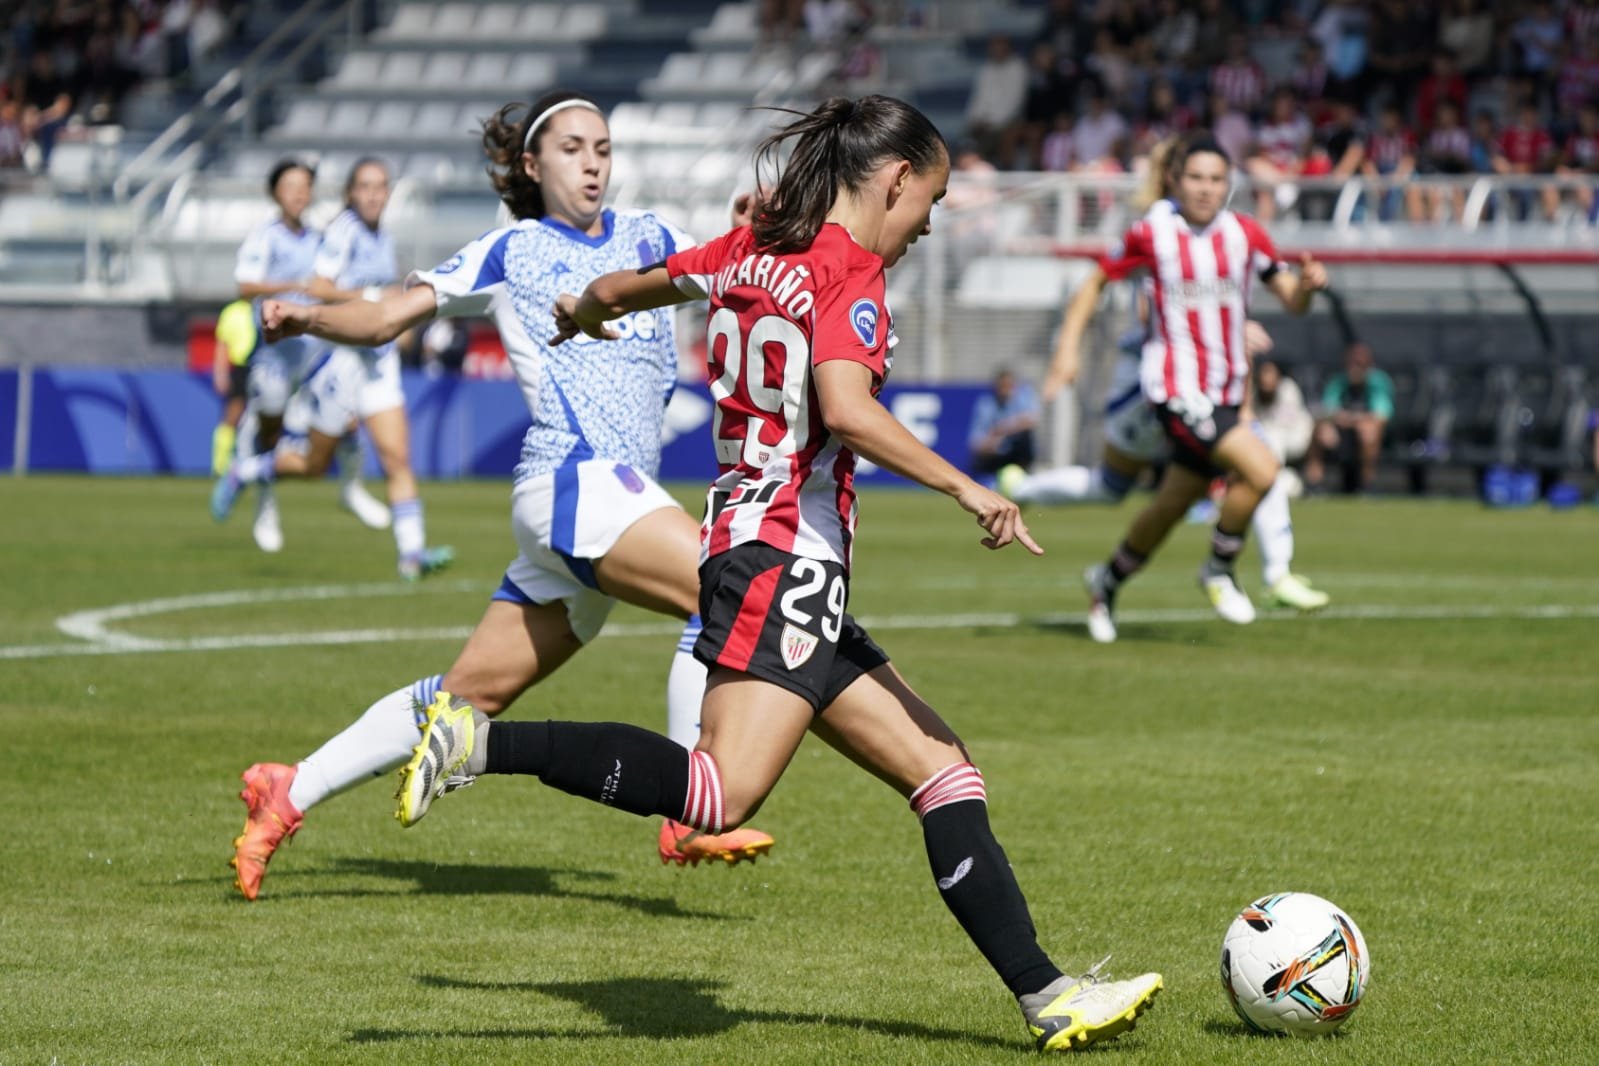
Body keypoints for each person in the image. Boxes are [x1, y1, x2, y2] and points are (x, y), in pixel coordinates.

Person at [397, 94, 1163, 1052]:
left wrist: (581, 308)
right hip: (785, 559)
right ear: (892, 181)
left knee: (944, 773)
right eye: (928, 199)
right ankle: (475, 745)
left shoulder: (745, 247)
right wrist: (970, 489)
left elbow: (628, 288)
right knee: (719, 796)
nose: (925, 222)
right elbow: (846, 409)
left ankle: (1048, 995)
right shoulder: (852, 275)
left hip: (750, 547)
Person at [231, 91, 775, 903]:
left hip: (609, 501)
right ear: (531, 165)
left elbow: (733, 271)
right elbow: (386, 317)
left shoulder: (654, 236)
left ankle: (289, 789)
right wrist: (308, 316)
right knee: (724, 589)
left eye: (602, 147)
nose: (592, 161)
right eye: (571, 148)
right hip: (573, 481)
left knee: (464, 700)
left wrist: (749, 230)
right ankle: (693, 808)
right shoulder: (512, 249)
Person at [1054, 135, 1329, 643]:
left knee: (1172, 505)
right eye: (1196, 178)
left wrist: (1308, 287)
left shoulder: (1245, 233)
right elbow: (1094, 281)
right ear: (1176, 181)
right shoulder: (1151, 232)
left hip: (1224, 388)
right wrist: (1067, 350)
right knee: (1262, 467)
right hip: (1176, 388)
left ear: (1230, 185)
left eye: (1216, 179)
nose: (1206, 189)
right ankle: (1220, 567)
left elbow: (1290, 297)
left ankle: (1106, 581)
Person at [212, 157, 451, 580]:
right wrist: (376, 297)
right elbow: (319, 287)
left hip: (379, 360)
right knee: (314, 464)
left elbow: (384, 296)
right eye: (366, 186)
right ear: (350, 193)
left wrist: (400, 318)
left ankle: (411, 555)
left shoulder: (384, 236)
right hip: (340, 358)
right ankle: (248, 469)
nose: (375, 194)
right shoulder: (342, 230)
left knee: (398, 457)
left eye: (381, 186)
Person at [220, 158, 390, 552]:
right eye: (291, 185)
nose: (299, 193)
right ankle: (264, 508)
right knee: (270, 434)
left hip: (318, 354)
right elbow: (244, 286)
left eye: (305, 186)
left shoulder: (321, 237)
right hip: (277, 357)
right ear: (275, 192)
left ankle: (352, 489)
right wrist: (291, 285)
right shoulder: (265, 236)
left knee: (347, 422)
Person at [1305, 341, 1393, 494]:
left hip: (1369, 435)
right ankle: (1314, 483)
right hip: (1341, 434)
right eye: (1352, 363)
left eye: (1360, 363)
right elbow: (1327, 412)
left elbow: (1381, 417)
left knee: (1369, 431)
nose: (1355, 367)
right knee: (1321, 430)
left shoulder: (1378, 382)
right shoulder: (1338, 382)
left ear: (1368, 365)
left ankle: (1367, 484)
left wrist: (1350, 419)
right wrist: (1348, 420)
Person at [209, 299, 256, 477]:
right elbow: (223, 344)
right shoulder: (232, 311)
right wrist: (220, 373)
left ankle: (251, 463)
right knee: (233, 414)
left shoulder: (266, 305)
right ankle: (220, 465)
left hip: (265, 366)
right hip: (241, 367)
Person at [968, 368, 1039, 476]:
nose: (1005, 389)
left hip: (1016, 453)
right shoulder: (986, 404)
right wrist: (991, 442)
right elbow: (975, 442)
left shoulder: (1023, 397)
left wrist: (1002, 430)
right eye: (1002, 386)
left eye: (1009, 385)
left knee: (1026, 436)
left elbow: (1030, 419)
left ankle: (1025, 472)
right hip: (996, 456)